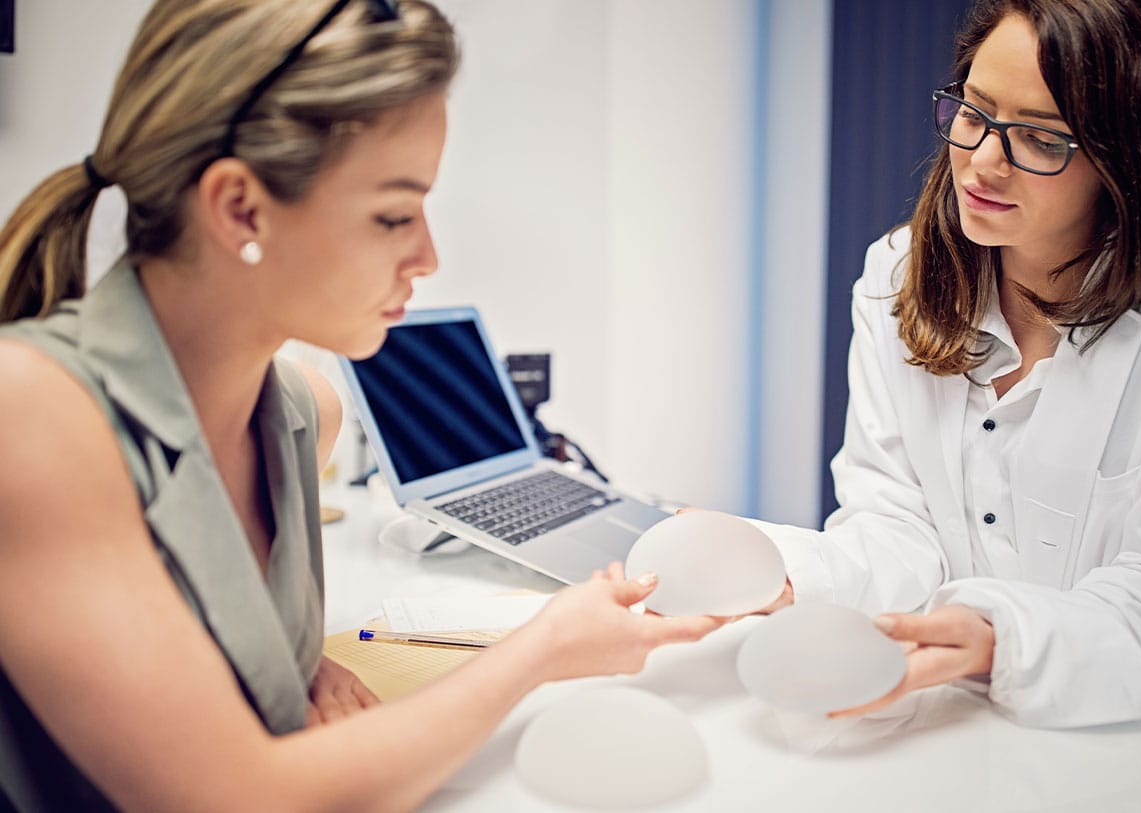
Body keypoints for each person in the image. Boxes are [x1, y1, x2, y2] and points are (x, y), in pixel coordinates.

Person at [0, 1, 721, 810]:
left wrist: (288, 663)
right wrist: (542, 648)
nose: (428, 255)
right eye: (392, 215)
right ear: (240, 208)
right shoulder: (30, 415)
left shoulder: (306, 413)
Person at [748, 0, 1141, 729]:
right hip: (943, 720)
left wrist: (1003, 639)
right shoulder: (896, 275)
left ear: (1128, 158)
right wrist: (784, 572)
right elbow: (894, 520)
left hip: (1133, 741)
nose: (982, 160)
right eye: (974, 113)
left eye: (1040, 139)